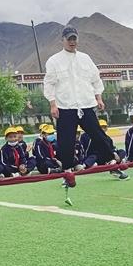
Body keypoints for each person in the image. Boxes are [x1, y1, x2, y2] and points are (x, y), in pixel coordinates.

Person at [43, 25, 119, 172]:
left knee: (98, 135)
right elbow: (49, 83)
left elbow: (95, 79)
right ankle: (67, 171)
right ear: (63, 40)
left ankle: (111, 163)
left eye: (74, 39)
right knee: (66, 140)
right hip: (65, 107)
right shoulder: (54, 60)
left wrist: (99, 98)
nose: (72, 42)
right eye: (69, 39)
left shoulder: (85, 58)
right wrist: (52, 104)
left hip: (86, 104)